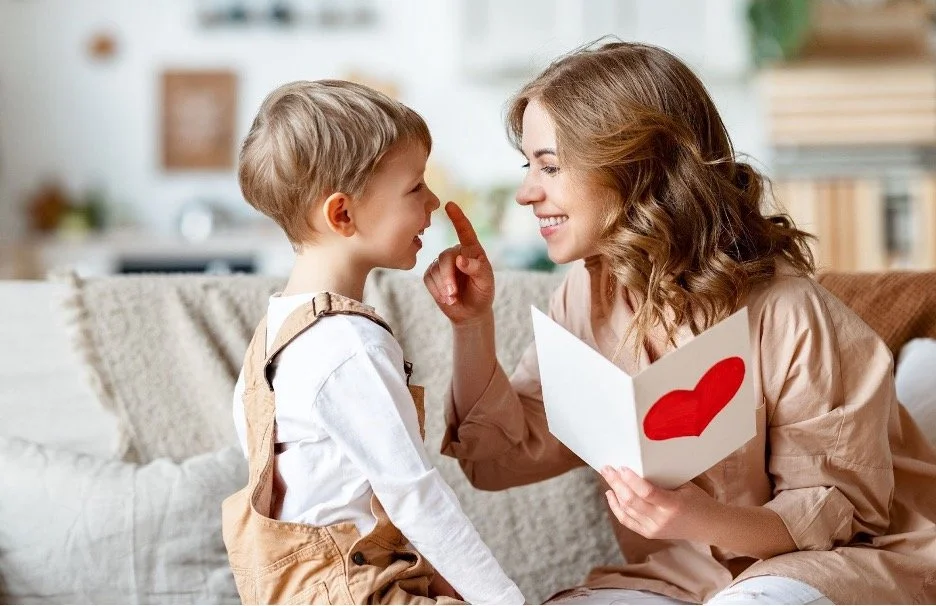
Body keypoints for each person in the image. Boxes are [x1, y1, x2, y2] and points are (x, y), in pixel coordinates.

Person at [424, 41, 936, 605]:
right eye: (529, 166)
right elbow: (498, 461)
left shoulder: (789, 310)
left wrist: (695, 517)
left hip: (833, 566)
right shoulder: (586, 296)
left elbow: (834, 516)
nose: (527, 193)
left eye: (549, 166)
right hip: (680, 580)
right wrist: (471, 325)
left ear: (636, 167)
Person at [222, 79, 524, 605]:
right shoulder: (348, 345)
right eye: (415, 187)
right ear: (342, 214)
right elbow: (415, 496)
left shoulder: (272, 338)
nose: (433, 201)